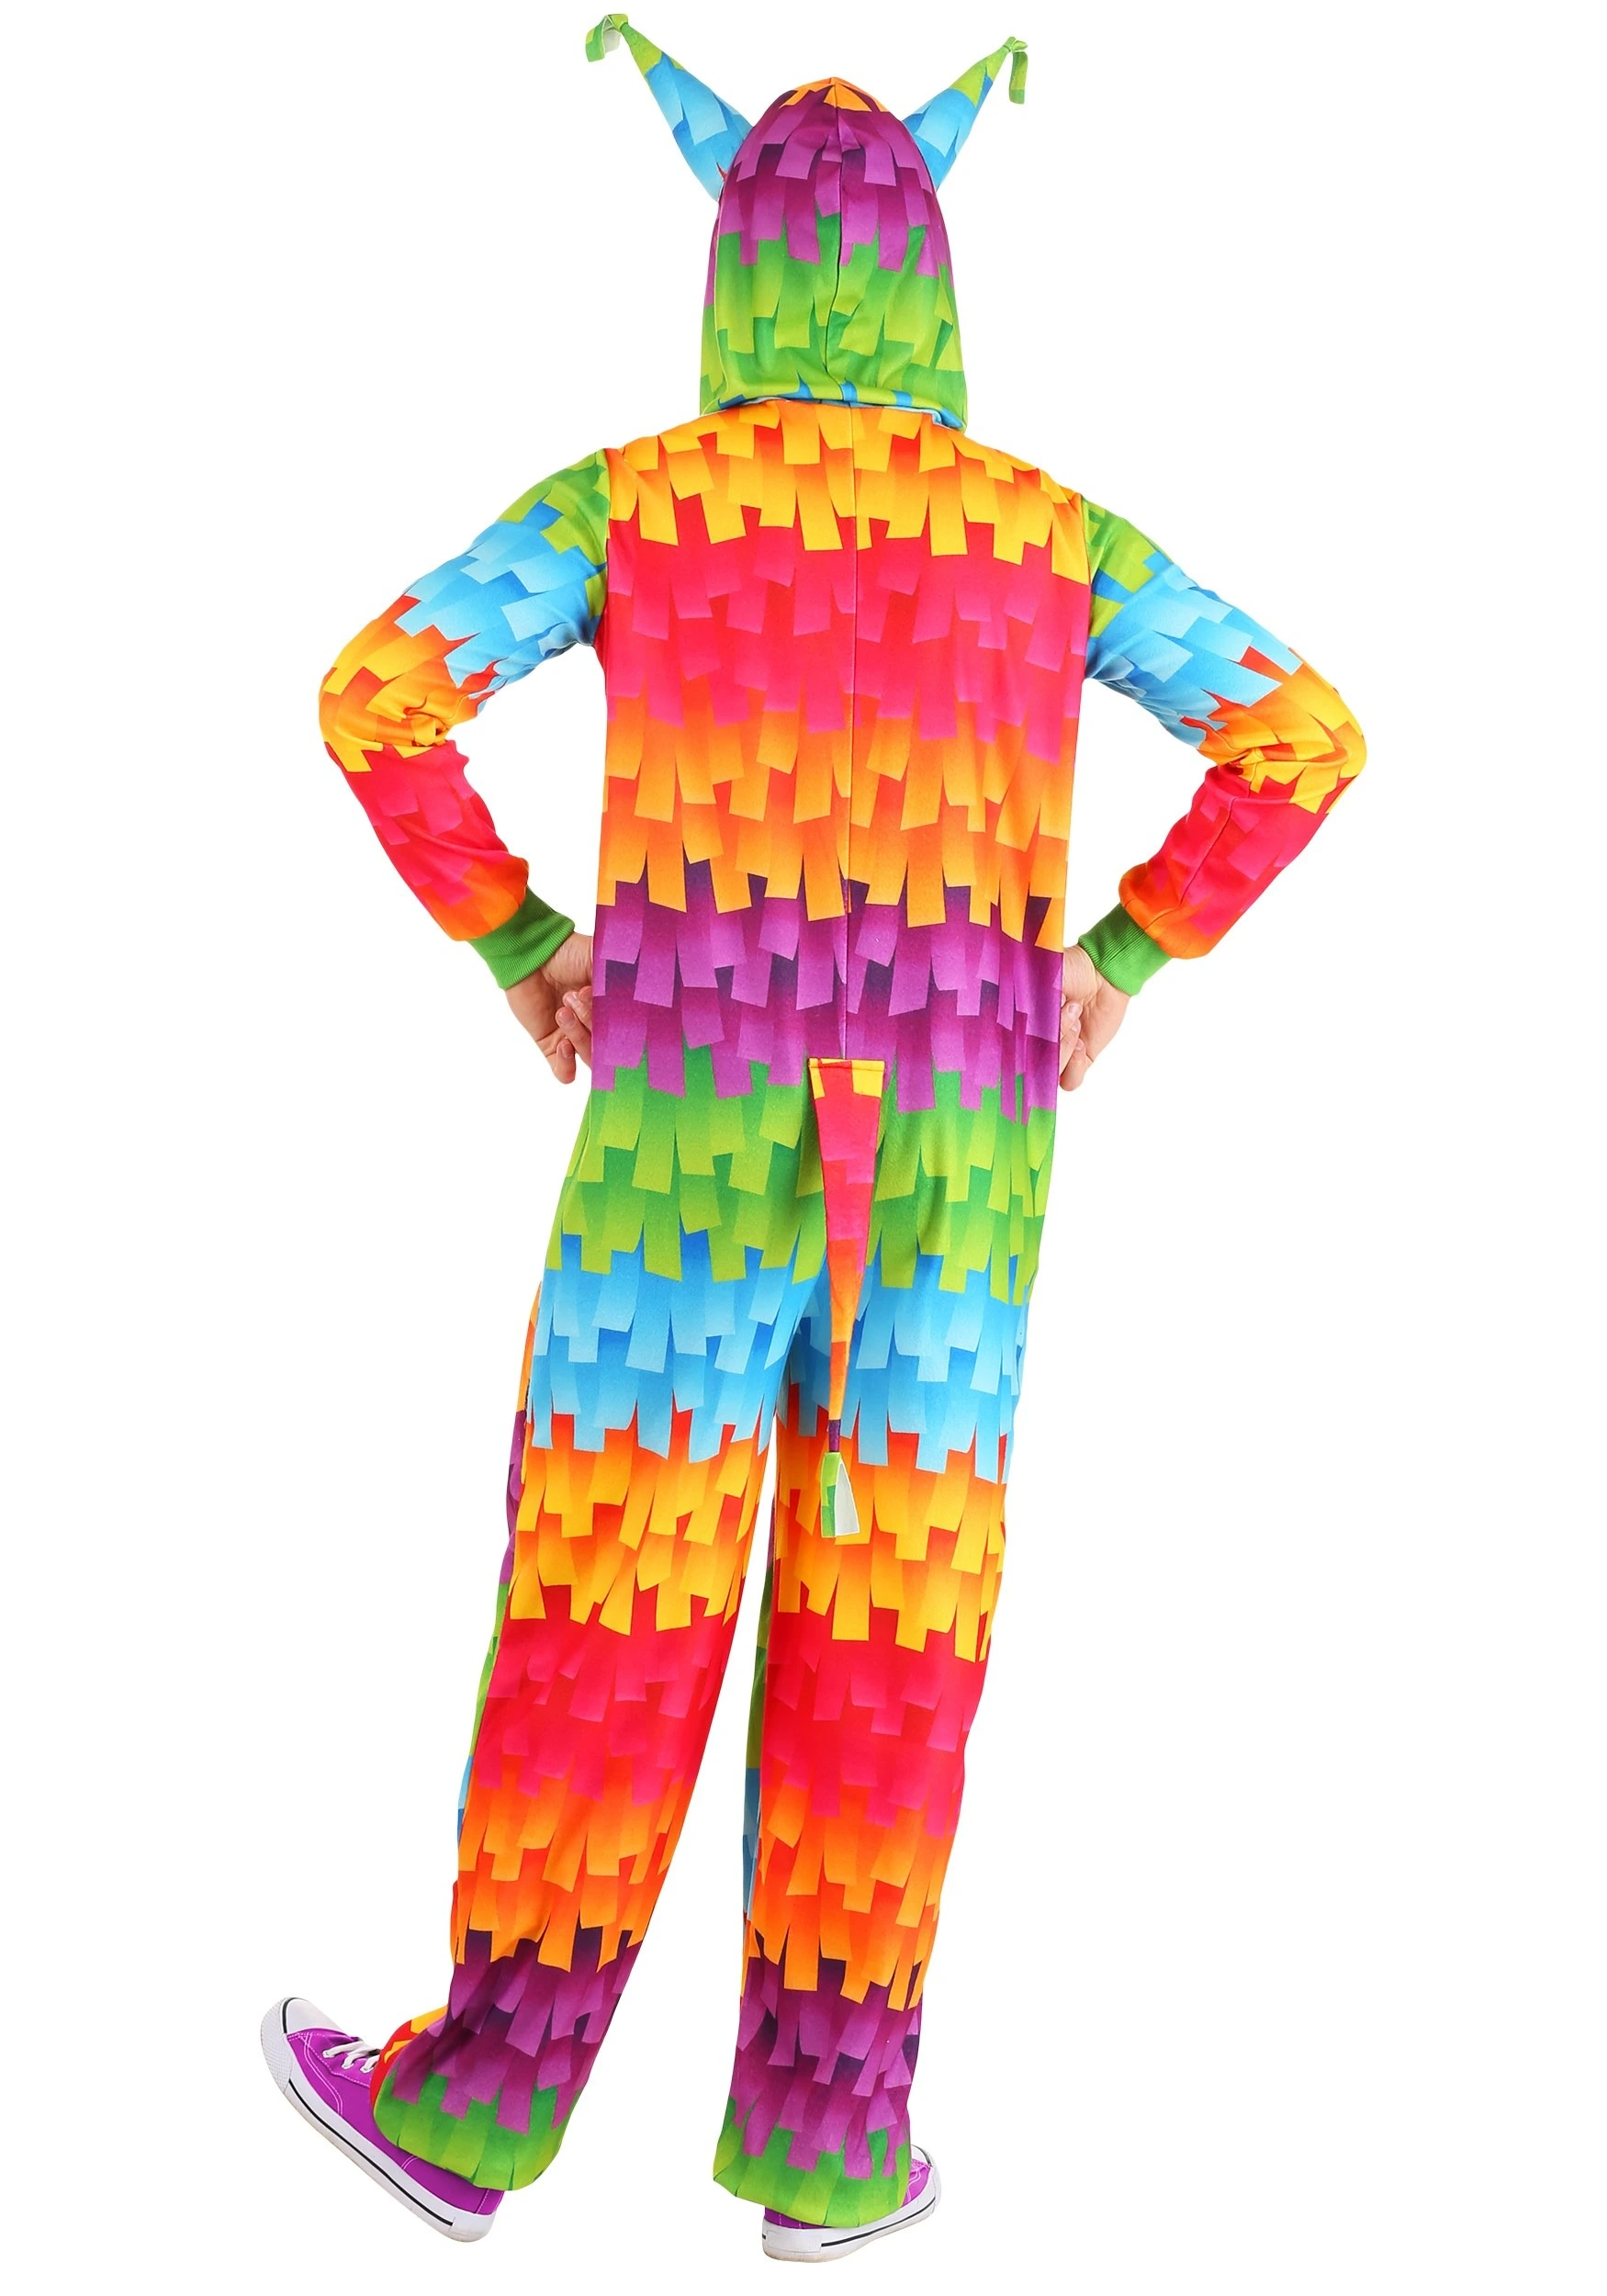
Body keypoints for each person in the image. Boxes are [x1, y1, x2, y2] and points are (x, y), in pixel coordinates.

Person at [261, 17, 1365, 2263]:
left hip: (676, 1141)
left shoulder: (634, 502)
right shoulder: (1047, 532)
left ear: (734, 270)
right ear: (932, 278)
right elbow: (1302, 731)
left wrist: (520, 940)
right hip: (955, 1170)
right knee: (893, 1627)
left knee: (606, 1603)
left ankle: (474, 2108)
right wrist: (1119, 955)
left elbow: (375, 696)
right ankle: (833, 2143)